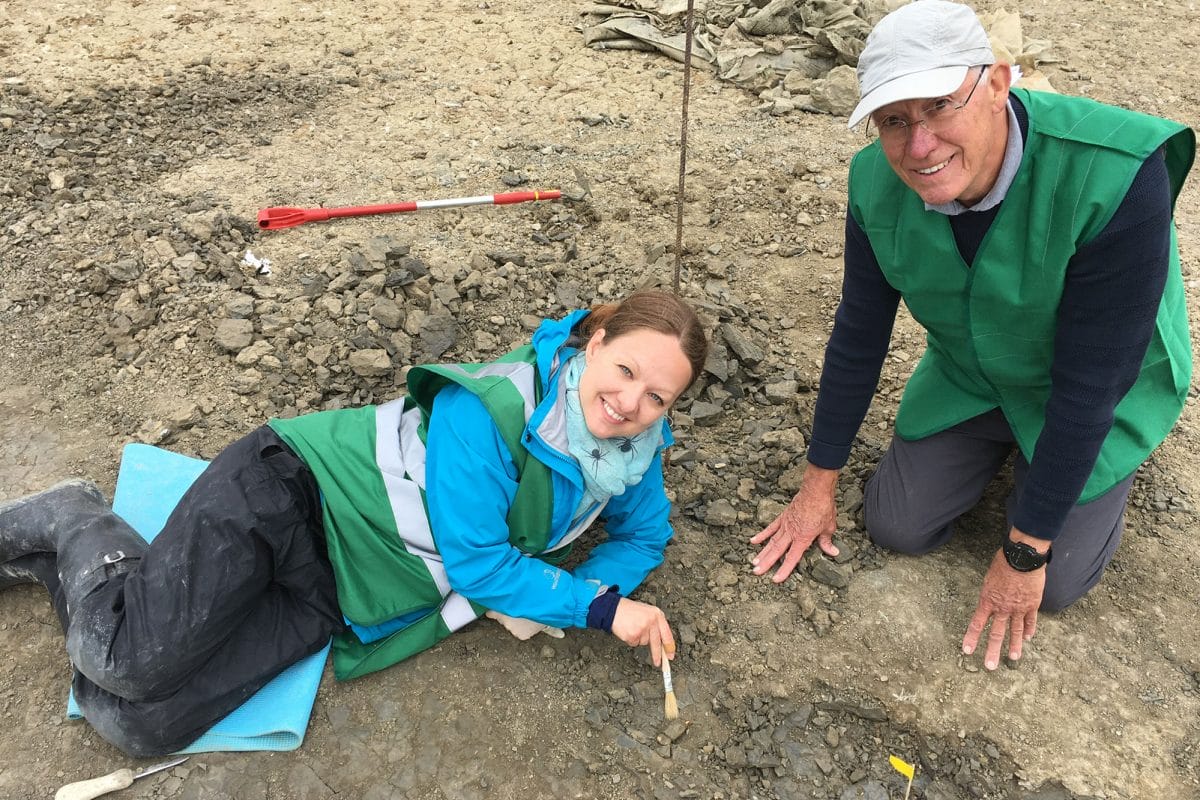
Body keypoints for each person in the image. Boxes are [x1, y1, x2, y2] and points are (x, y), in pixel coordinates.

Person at [0, 289, 709, 757]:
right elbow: (480, 567)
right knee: (128, 660)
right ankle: (73, 519)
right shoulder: (490, 411)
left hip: (346, 587)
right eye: (623, 371)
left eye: (657, 397)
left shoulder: (633, 453)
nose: (629, 404)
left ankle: (86, 579)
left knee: (138, 722)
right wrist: (597, 606)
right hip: (289, 494)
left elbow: (643, 533)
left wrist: (593, 581)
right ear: (595, 342)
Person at [752, 0, 1194, 671]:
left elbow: (1091, 383)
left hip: (1095, 389)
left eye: (938, 106)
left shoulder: (1116, 173)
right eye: (894, 121)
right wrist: (817, 488)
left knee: (1057, 581)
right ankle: (1023, 458)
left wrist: (1024, 550)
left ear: (996, 83)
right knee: (897, 524)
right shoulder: (875, 181)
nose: (919, 145)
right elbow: (858, 333)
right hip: (975, 374)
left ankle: (1095, 472)